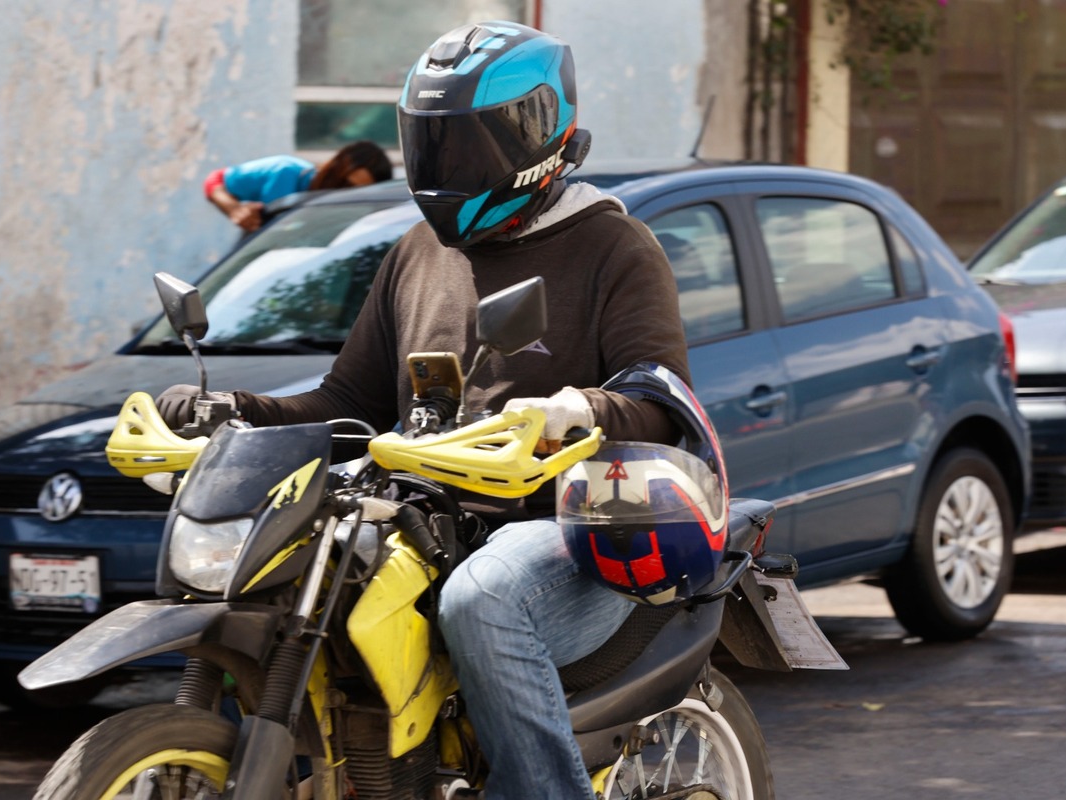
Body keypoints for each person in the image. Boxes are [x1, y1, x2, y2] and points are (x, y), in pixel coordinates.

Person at [158, 21, 691, 800]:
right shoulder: (416, 251)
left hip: (562, 528)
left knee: (483, 603)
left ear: (537, 135)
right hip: (419, 516)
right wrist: (233, 408)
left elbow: (658, 398)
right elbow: (348, 403)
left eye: (465, 147)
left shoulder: (614, 247)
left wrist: (576, 408)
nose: (444, 168)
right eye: (431, 145)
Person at [203, 140, 392, 232]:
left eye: (354, 192)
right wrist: (235, 209)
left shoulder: (354, 220)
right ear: (334, 164)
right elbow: (214, 180)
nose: (342, 192)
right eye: (344, 183)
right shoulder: (284, 171)